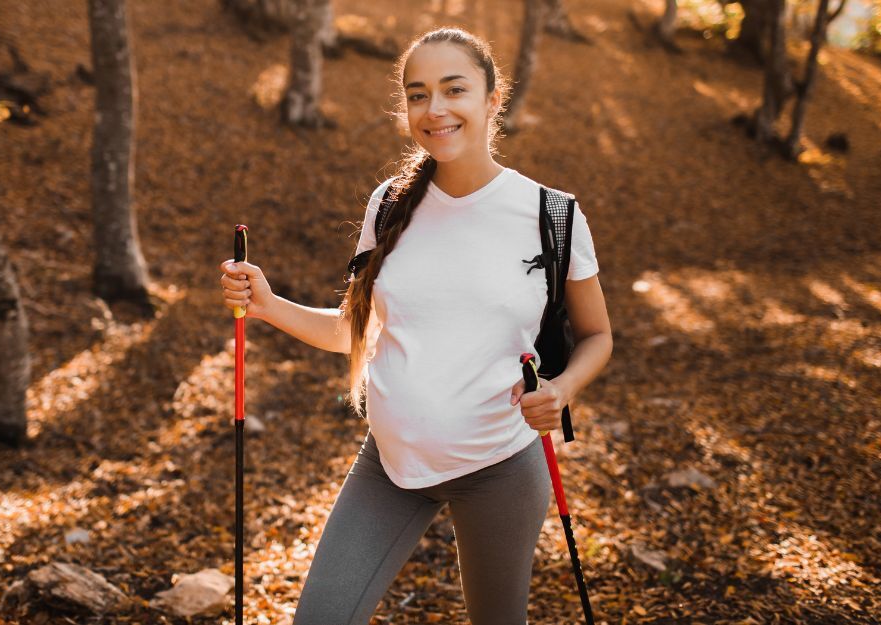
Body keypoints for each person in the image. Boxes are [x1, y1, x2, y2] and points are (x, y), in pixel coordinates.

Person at [218, 26, 612, 625]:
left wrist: (562, 390)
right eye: (417, 93)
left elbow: (597, 337)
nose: (435, 109)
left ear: (491, 98)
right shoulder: (390, 203)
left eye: (454, 89)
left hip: (499, 468)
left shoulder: (550, 215)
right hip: (389, 464)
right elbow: (356, 332)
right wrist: (269, 305)